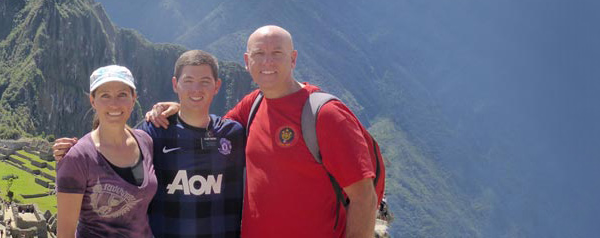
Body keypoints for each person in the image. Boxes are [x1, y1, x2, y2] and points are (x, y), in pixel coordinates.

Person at [144, 25, 380, 238]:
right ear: (247, 61)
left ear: (293, 58)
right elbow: (208, 130)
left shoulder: (325, 115)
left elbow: (364, 199)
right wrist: (181, 108)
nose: (267, 62)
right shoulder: (253, 104)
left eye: (277, 53)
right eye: (259, 54)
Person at [54, 51, 247, 237]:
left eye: (205, 81)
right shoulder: (155, 132)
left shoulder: (233, 134)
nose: (196, 89)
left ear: (217, 86)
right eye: (188, 81)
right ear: (175, 84)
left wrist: (179, 106)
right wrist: (73, 153)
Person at [56, 65, 158, 238]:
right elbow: (65, 233)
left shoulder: (145, 141)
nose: (114, 104)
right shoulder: (78, 158)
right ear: (93, 101)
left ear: (134, 99)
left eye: (122, 95)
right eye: (105, 95)